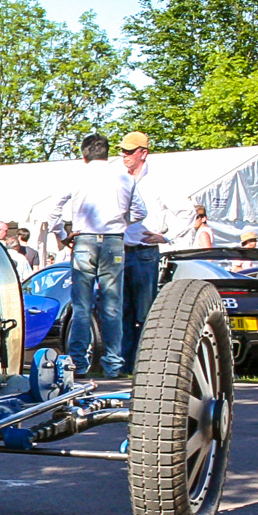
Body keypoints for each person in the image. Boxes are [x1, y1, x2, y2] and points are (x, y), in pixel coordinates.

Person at [47, 134, 146, 377]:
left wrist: (62, 234)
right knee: (112, 305)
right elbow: (140, 211)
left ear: (84, 155)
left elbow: (53, 210)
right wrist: (122, 222)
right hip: (113, 241)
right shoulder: (124, 176)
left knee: (82, 306)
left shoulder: (76, 176)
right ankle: (112, 365)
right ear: (107, 153)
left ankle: (79, 363)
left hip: (84, 240)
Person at [118, 132, 171, 373]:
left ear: (143, 153)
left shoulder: (159, 181)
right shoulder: (118, 179)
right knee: (120, 311)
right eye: (123, 151)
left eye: (130, 151)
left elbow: (187, 212)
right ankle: (123, 364)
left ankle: (146, 364)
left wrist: (167, 236)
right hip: (120, 252)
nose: (124, 155)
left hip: (144, 252)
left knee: (144, 312)